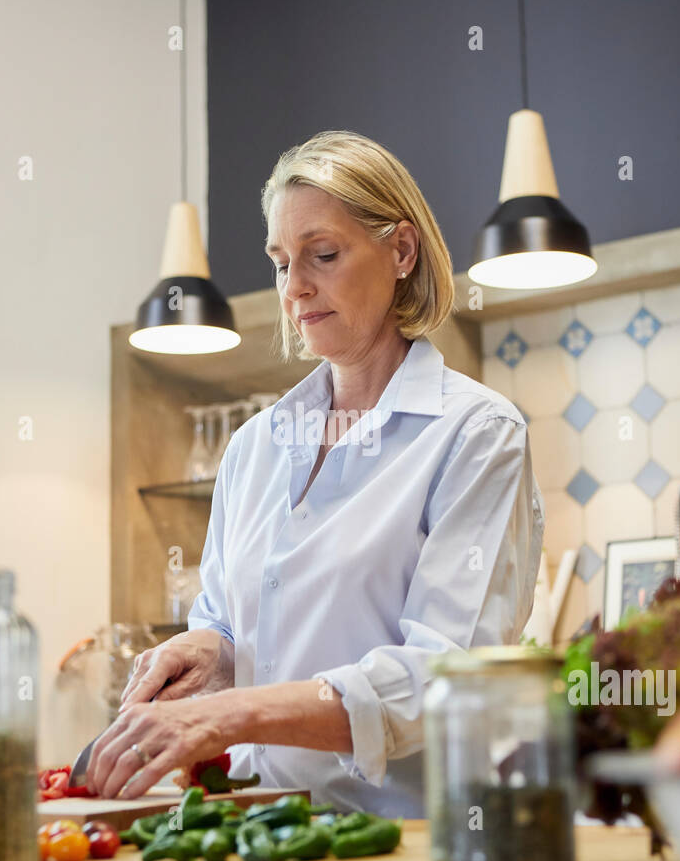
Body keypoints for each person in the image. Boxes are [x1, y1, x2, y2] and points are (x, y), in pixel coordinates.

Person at [86, 130, 545, 816]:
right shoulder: (252, 449)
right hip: (249, 828)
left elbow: (443, 678)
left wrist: (232, 715)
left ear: (401, 251)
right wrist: (207, 653)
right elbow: (233, 624)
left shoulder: (477, 435)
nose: (295, 288)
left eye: (323, 255)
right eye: (280, 263)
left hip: (399, 837)